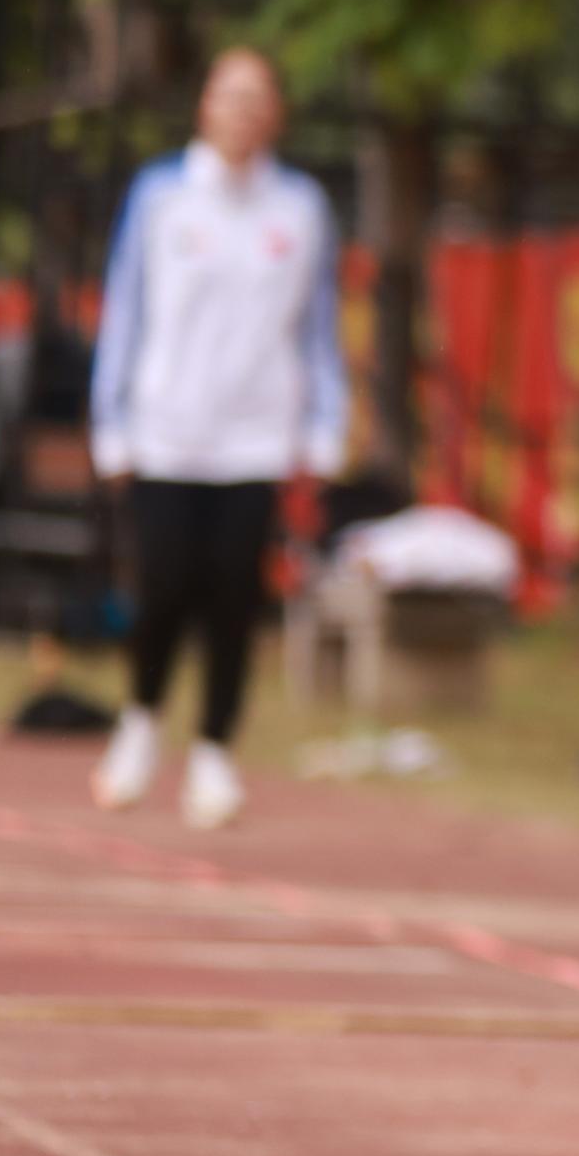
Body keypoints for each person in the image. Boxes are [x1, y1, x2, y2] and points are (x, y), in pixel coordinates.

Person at [85, 47, 345, 828]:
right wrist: (113, 421)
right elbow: (126, 309)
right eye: (228, 95)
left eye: (257, 98)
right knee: (164, 586)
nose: (242, 111)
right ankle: (140, 722)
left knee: (235, 595)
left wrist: (326, 426)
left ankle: (214, 753)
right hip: (167, 430)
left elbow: (319, 328)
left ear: (276, 115)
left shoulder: (300, 207)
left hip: (258, 437)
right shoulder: (162, 195)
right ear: (204, 106)